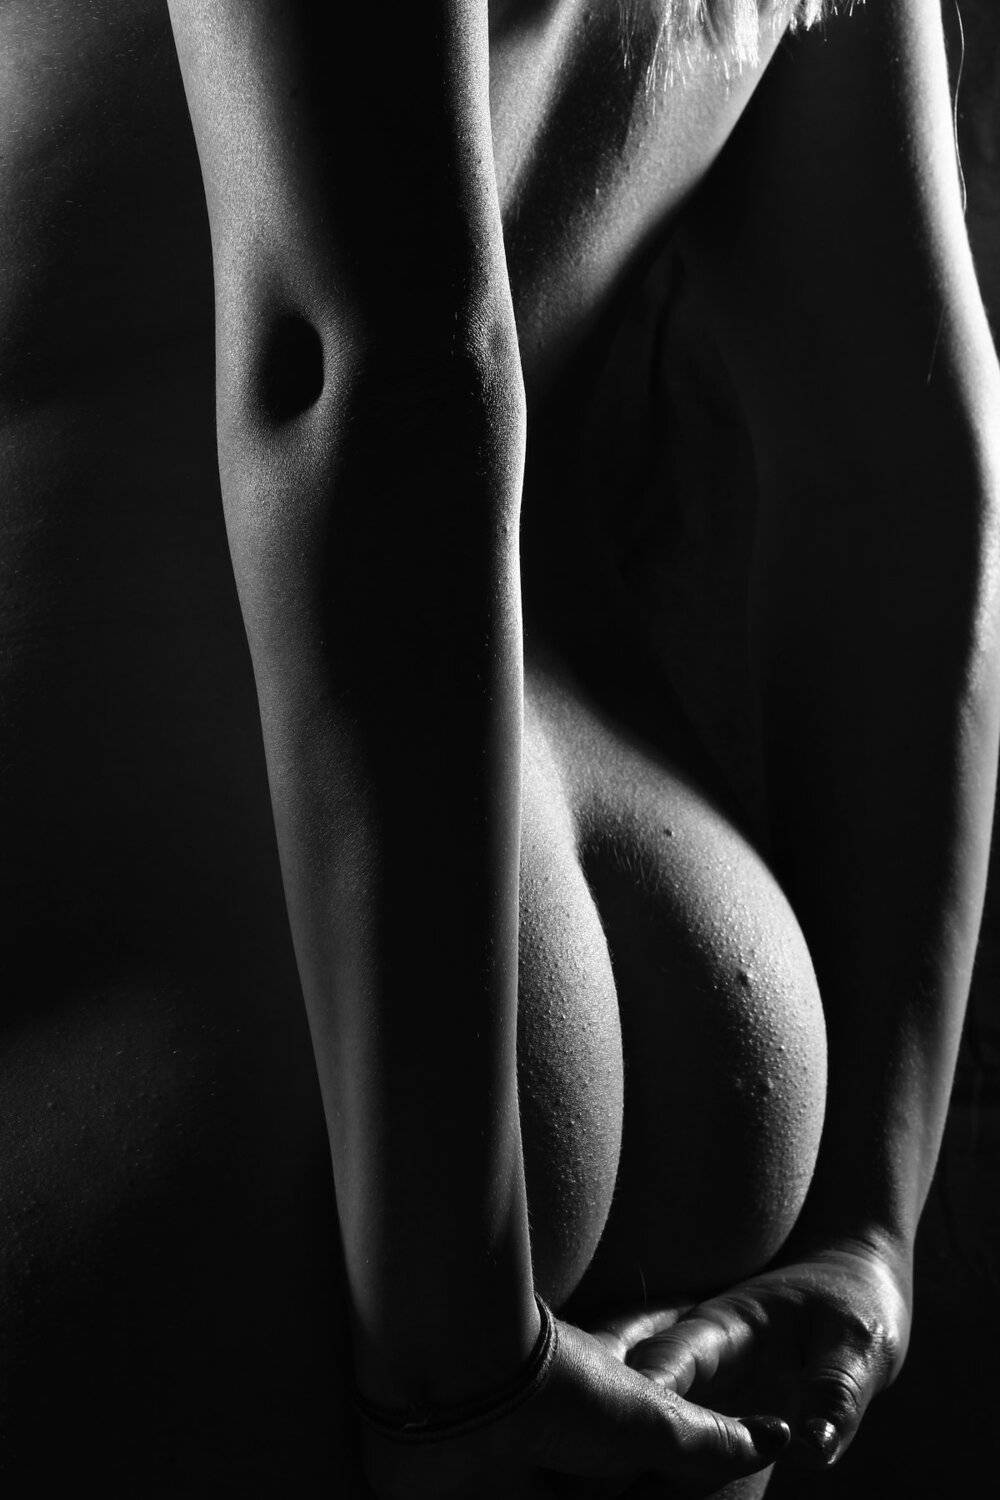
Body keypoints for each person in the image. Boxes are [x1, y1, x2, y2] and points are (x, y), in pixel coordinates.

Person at [0, 1, 996, 1495]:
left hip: (247, 1065)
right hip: (680, 1027)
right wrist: (869, 1209)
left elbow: (355, 358)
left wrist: (453, 1352)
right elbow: (893, 462)